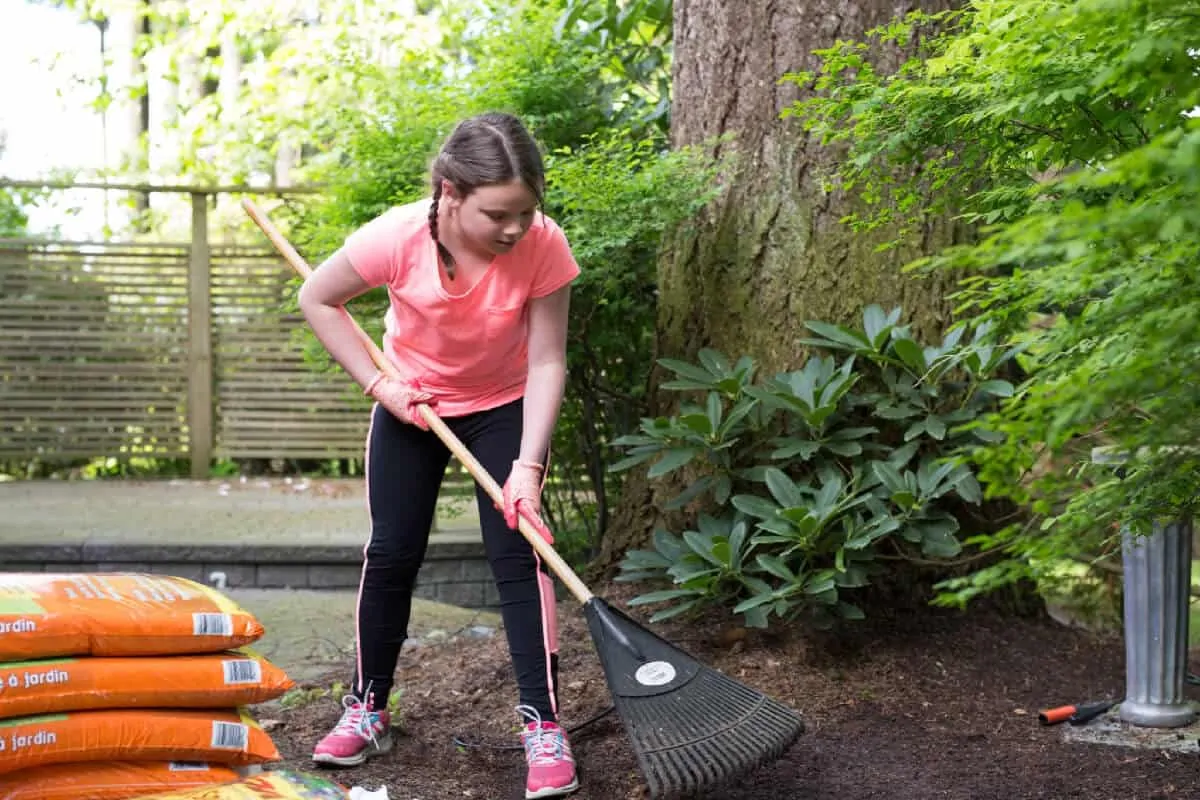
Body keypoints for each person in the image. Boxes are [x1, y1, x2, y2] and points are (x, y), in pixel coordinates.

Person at [297, 111, 580, 799]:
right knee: (392, 551)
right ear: (450, 192)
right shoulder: (396, 238)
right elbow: (319, 297)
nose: (515, 228)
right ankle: (367, 707)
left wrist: (528, 468)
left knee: (521, 550)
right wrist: (380, 385)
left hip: (504, 403)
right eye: (498, 214)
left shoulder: (543, 245)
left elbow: (547, 361)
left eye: (526, 210)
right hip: (413, 403)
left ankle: (543, 724)